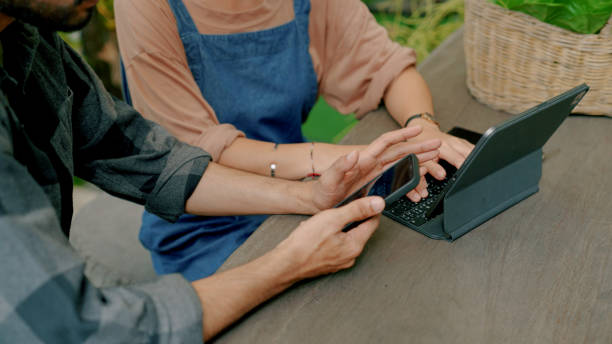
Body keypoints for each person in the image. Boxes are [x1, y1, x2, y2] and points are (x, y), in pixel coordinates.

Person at [0, 0, 442, 341]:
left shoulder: (30, 41)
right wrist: (286, 264)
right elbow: (82, 331)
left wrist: (309, 196)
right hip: (194, 239)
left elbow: (145, 155)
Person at [114, 0, 476, 280]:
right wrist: (342, 158)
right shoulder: (147, 6)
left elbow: (386, 66)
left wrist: (423, 130)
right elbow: (189, 150)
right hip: (205, 221)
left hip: (308, 194)